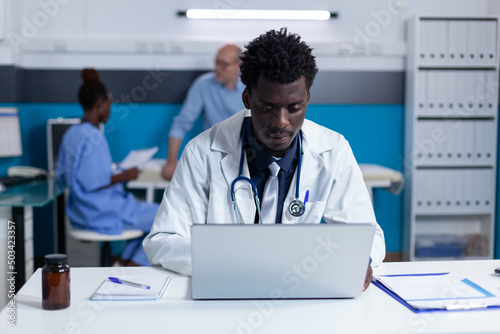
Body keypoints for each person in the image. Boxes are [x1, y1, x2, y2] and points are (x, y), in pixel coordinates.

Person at [144, 29, 385, 290]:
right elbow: (163, 241)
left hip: (302, 291)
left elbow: (367, 234)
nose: (281, 122)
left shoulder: (333, 150)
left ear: (307, 100)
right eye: (267, 107)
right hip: (226, 287)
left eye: (294, 108)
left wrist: (362, 260)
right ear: (247, 99)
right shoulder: (202, 152)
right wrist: (232, 262)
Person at [56, 68, 160, 266]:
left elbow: (71, 174)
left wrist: (113, 169)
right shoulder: (95, 137)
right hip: (101, 212)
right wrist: (126, 175)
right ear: (100, 104)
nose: (110, 110)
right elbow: (93, 181)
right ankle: (134, 263)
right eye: (110, 104)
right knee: (164, 217)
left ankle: (126, 260)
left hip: (80, 212)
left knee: (152, 221)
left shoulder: (72, 133)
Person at [161, 43, 245, 180]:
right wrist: (171, 162)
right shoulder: (203, 85)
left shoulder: (252, 86)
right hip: (212, 154)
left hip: (246, 154)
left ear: (238, 65)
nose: (217, 68)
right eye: (216, 62)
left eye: (224, 64)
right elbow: (181, 124)